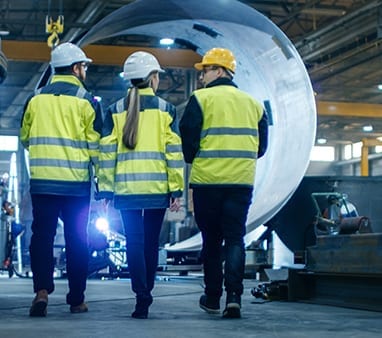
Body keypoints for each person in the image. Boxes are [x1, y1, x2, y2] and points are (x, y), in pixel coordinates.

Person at [179, 47, 268, 319]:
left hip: (207, 182)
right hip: (240, 183)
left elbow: (188, 139)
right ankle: (234, 297)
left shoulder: (200, 99)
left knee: (211, 241)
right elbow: (261, 147)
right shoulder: (254, 104)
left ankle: (213, 297)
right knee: (235, 238)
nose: (202, 76)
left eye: (205, 70)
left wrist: (200, 156)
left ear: (220, 71)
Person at [97, 51, 184, 319]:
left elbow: (107, 153)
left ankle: (141, 295)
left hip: (126, 191)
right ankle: (148, 290)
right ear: (153, 78)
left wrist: (107, 190)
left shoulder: (115, 110)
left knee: (133, 243)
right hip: (157, 190)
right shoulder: (166, 109)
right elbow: (173, 153)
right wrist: (176, 189)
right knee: (150, 244)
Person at [20, 42, 103, 317]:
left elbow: (25, 139)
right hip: (75, 185)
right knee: (77, 238)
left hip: (43, 183)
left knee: (41, 237)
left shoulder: (36, 99)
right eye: (84, 67)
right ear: (77, 68)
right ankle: (77, 299)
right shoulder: (87, 101)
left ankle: (41, 291)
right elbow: (95, 148)